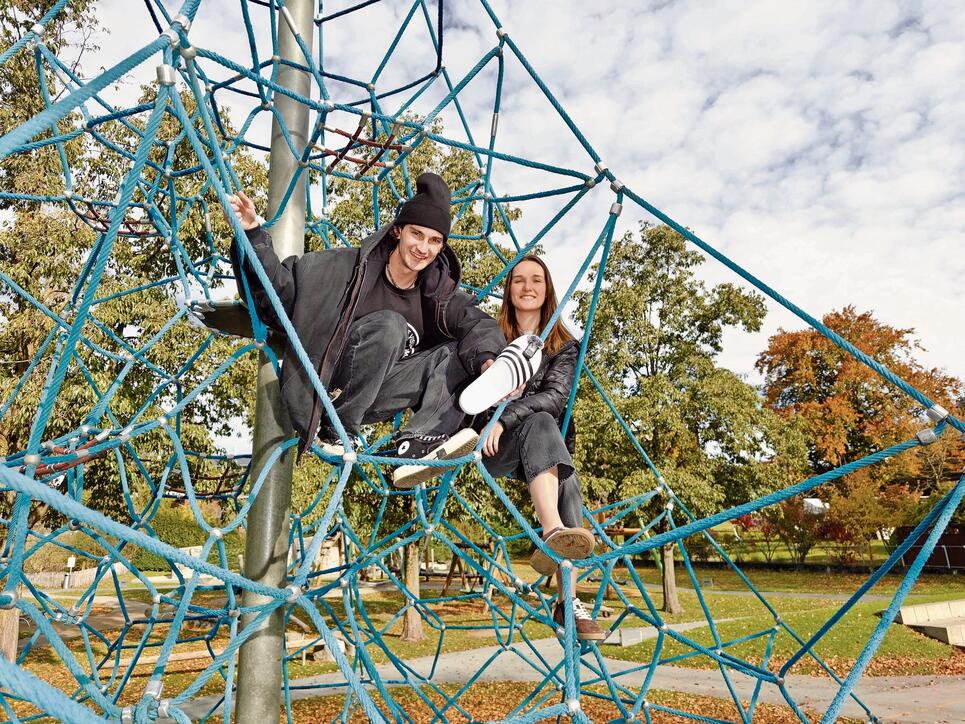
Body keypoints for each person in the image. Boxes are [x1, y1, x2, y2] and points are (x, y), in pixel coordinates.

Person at [227, 173, 506, 488]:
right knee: (390, 326)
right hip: (327, 384)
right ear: (398, 231)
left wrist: (490, 360)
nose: (423, 248)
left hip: (380, 392)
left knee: (459, 350)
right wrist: (252, 234)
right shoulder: (338, 268)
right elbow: (276, 295)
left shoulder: (437, 295)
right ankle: (337, 428)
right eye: (417, 234)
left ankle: (418, 442)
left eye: (434, 240)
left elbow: (475, 321)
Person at [477, 255, 604, 641]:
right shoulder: (490, 337)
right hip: (498, 447)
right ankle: (553, 532)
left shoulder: (564, 346)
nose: (527, 287)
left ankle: (569, 598)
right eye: (518, 280)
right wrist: (494, 421)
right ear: (509, 290)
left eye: (536, 280)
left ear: (547, 290)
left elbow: (555, 397)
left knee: (568, 481)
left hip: (540, 441)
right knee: (542, 427)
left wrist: (506, 416)